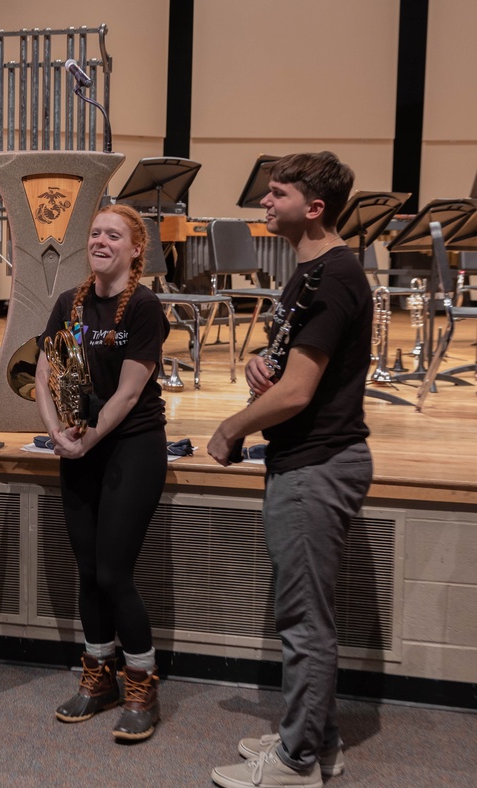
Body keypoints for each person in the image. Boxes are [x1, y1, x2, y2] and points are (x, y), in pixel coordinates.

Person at [207, 152, 373, 788]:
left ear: (315, 207)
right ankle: (317, 740)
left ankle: (296, 763)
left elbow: (300, 393)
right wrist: (258, 368)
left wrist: (230, 429)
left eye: (276, 194)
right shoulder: (308, 272)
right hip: (306, 458)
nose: (265, 204)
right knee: (306, 615)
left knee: (304, 623)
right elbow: (292, 364)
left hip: (318, 463)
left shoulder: (334, 277)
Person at [35, 204, 169, 743]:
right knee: (88, 571)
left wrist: (88, 438)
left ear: (136, 248)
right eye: (95, 233)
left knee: (114, 573)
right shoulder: (69, 303)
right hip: (79, 448)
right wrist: (57, 434)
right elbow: (42, 375)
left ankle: (141, 681)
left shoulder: (144, 306)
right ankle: (98, 676)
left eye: (113, 235)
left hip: (131, 447)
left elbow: (131, 392)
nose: (101, 241)